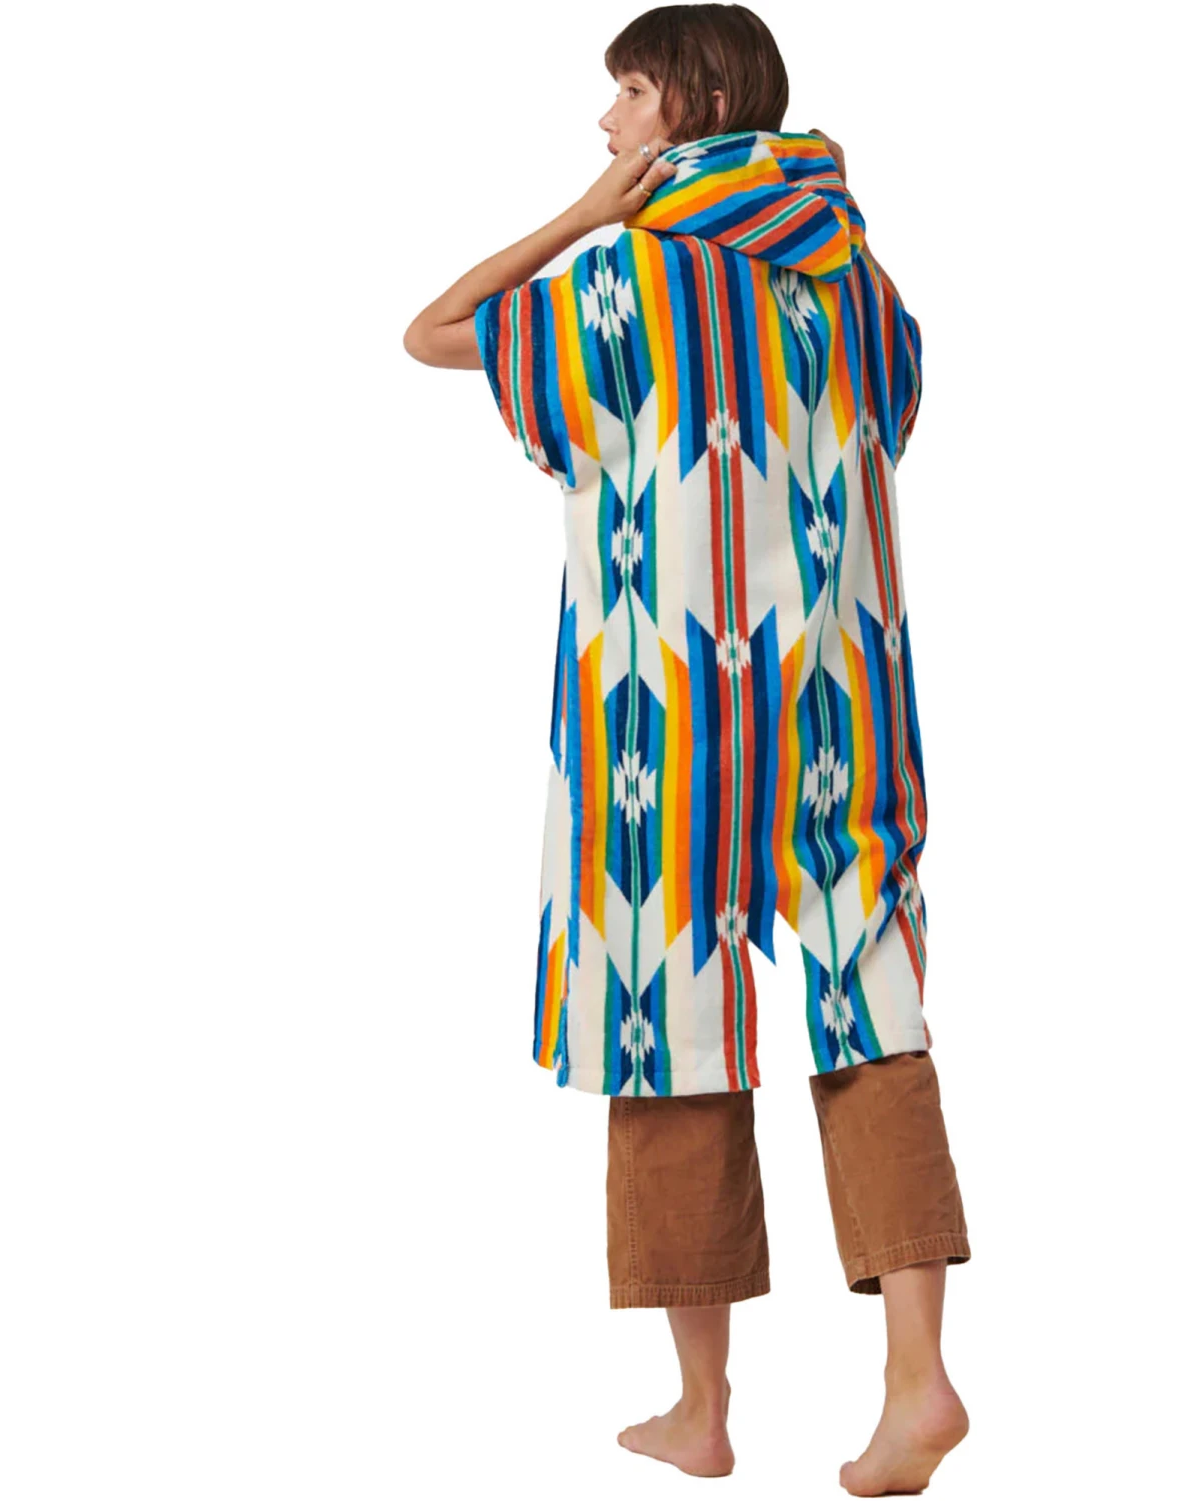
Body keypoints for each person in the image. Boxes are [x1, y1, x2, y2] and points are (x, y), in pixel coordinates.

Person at [404, 6, 971, 1494]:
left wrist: (590, 213)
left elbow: (433, 333)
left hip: (662, 713)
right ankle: (917, 1377)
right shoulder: (858, 282)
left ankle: (704, 1407)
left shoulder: (622, 280)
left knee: (663, 1015)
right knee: (874, 1005)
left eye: (626, 94)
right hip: (841, 705)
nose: (606, 124)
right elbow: (902, 401)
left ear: (690, 98)